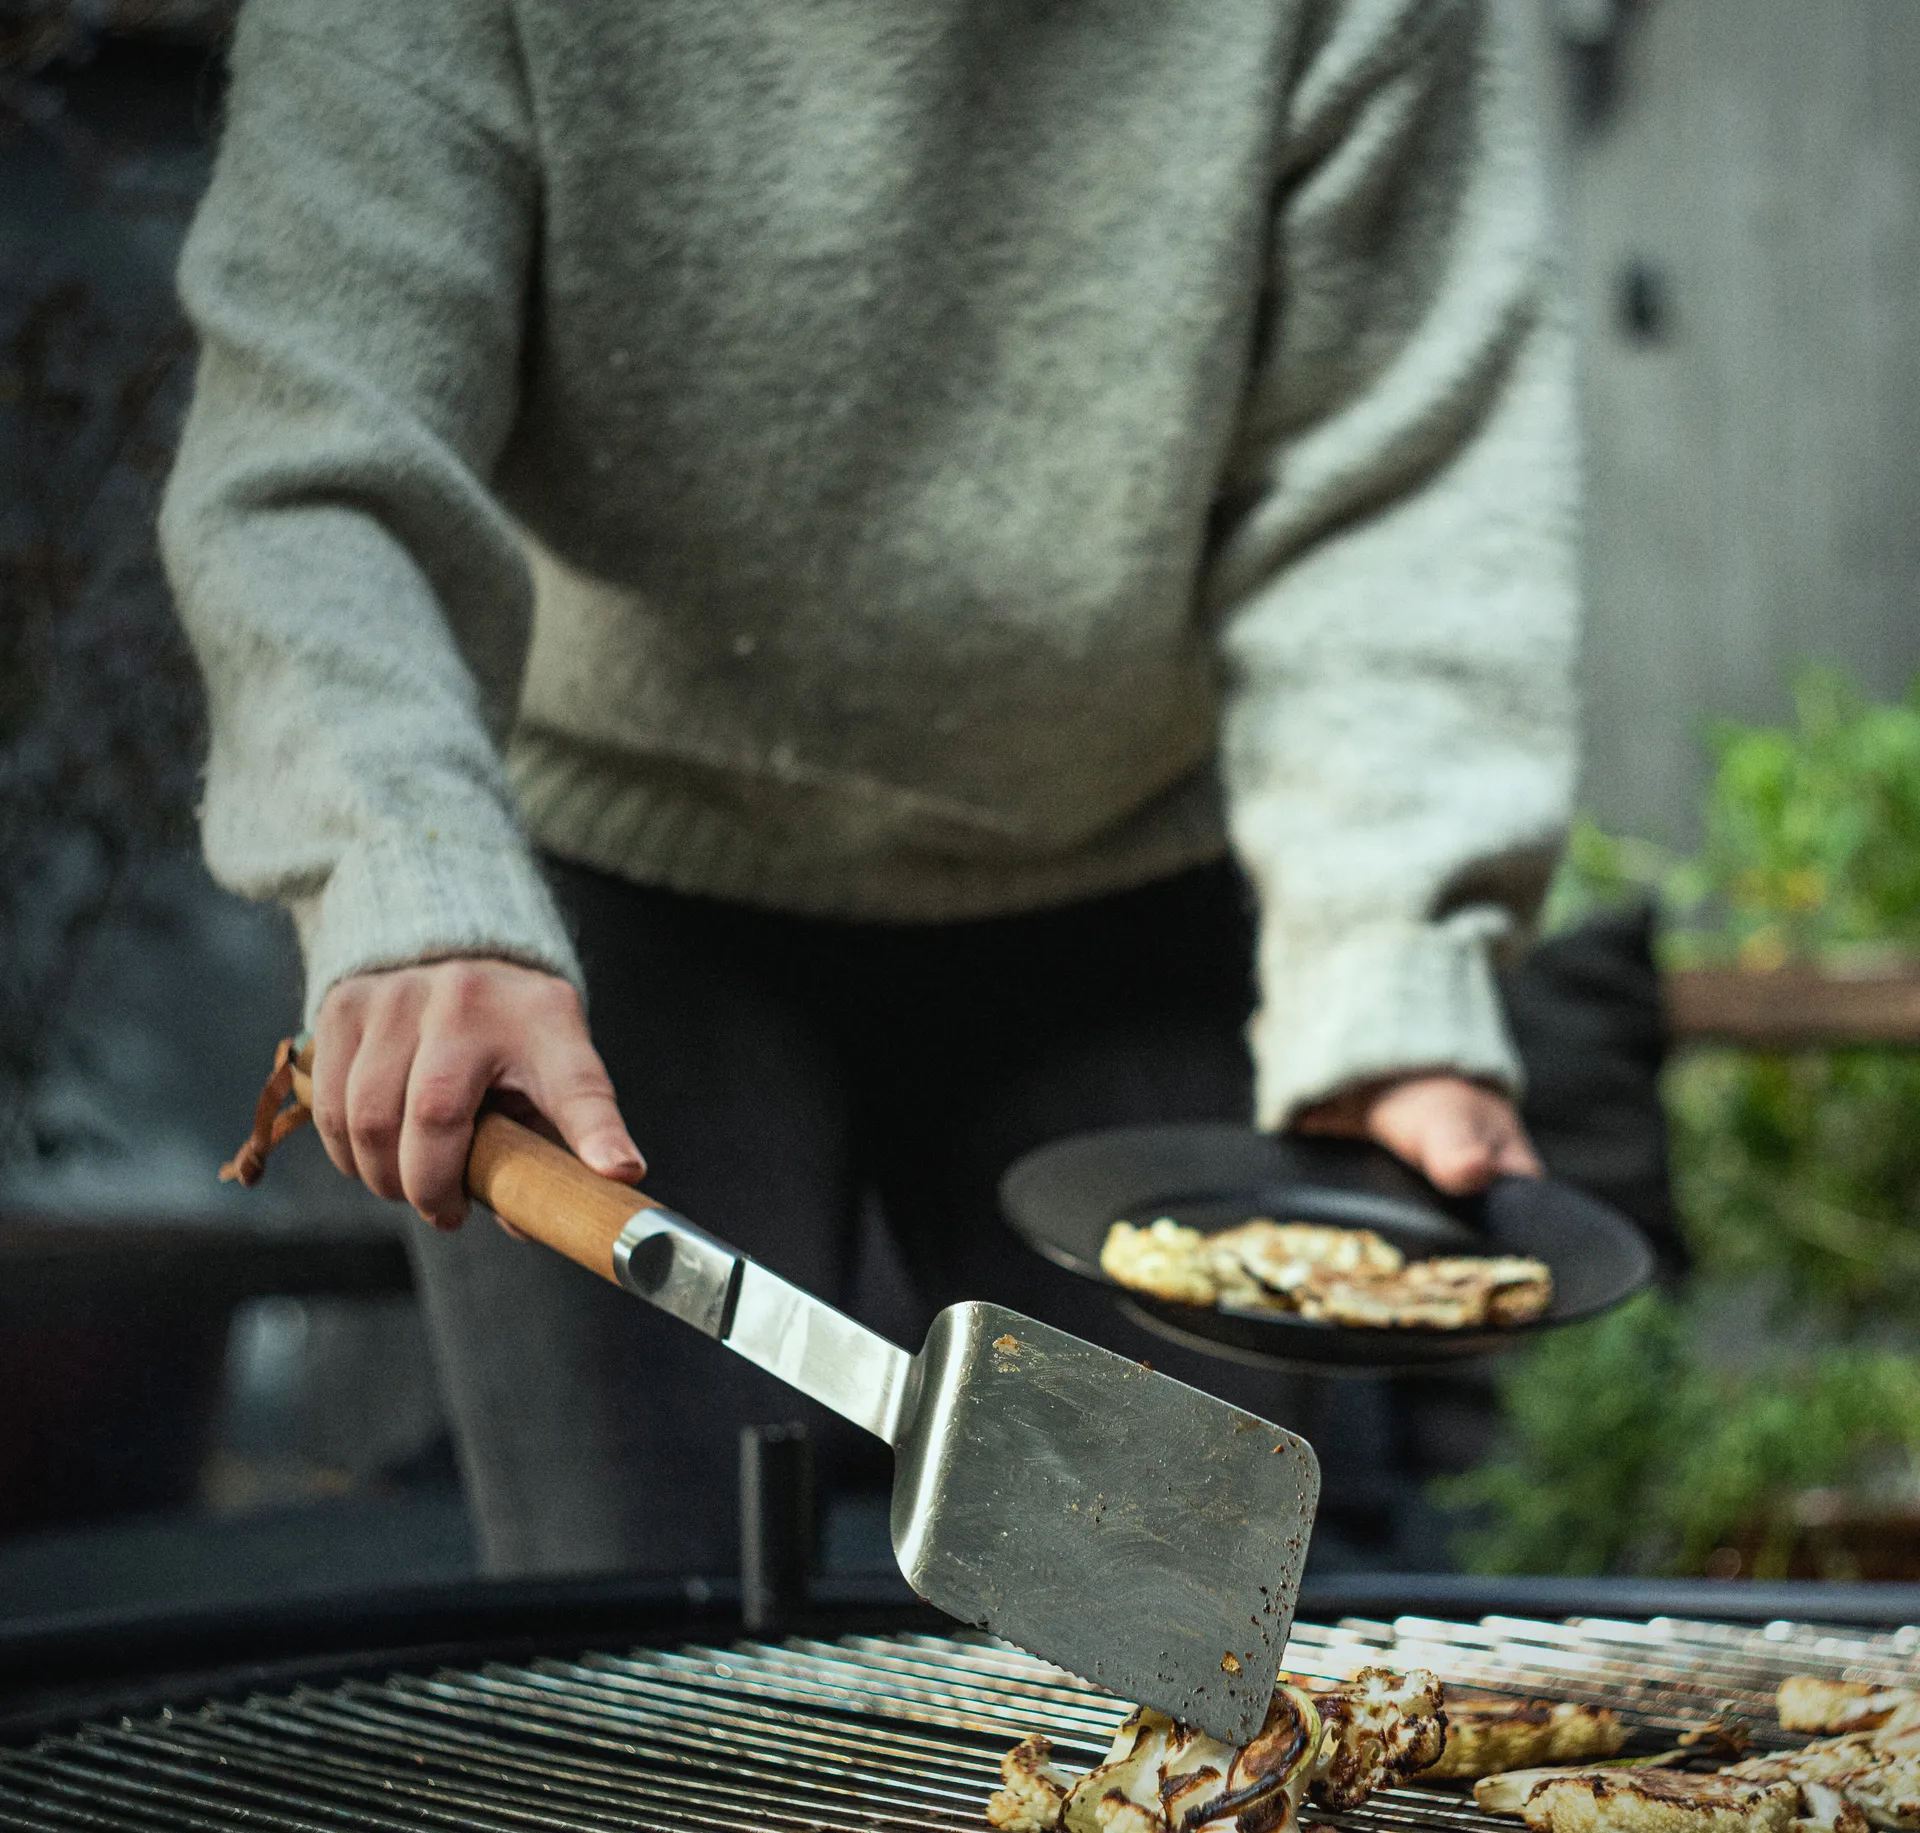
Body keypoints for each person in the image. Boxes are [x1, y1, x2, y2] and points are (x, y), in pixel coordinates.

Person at [162, 0, 1576, 1576]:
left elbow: (1395, 475)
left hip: (1126, 879)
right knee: (630, 1651)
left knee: (1164, 1621)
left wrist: (1390, 958)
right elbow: (318, 451)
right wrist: (403, 869)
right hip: (595, 917)